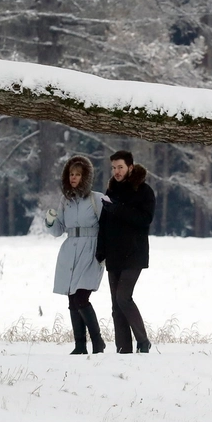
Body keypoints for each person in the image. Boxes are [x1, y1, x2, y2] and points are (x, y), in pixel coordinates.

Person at [45, 155, 106, 355]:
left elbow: (107, 226)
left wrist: (103, 252)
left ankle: (98, 342)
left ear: (85, 177)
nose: (74, 178)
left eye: (78, 174)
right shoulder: (66, 200)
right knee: (72, 299)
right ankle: (80, 345)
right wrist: (50, 220)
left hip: (90, 252)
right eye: (71, 174)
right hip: (69, 251)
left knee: (81, 297)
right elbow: (57, 231)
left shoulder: (96, 199)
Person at [97, 150, 155, 353]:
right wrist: (100, 250)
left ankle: (142, 341)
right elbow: (103, 223)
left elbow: (144, 219)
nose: (116, 171)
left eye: (120, 167)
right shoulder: (111, 191)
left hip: (134, 253)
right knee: (116, 305)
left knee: (123, 297)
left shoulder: (144, 191)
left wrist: (117, 209)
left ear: (130, 167)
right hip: (113, 254)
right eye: (113, 168)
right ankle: (123, 350)